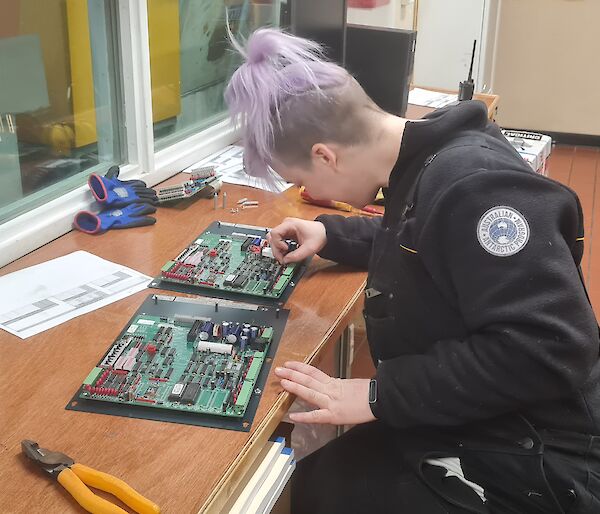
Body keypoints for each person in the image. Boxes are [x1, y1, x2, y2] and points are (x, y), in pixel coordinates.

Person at [225, 28, 600, 513]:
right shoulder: (428, 158)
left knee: (329, 490)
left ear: (325, 155)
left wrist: (380, 395)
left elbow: (548, 349)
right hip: (502, 410)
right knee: (327, 476)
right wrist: (332, 235)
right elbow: (425, 238)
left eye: (301, 179)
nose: (310, 190)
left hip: (549, 450)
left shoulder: (479, 190)